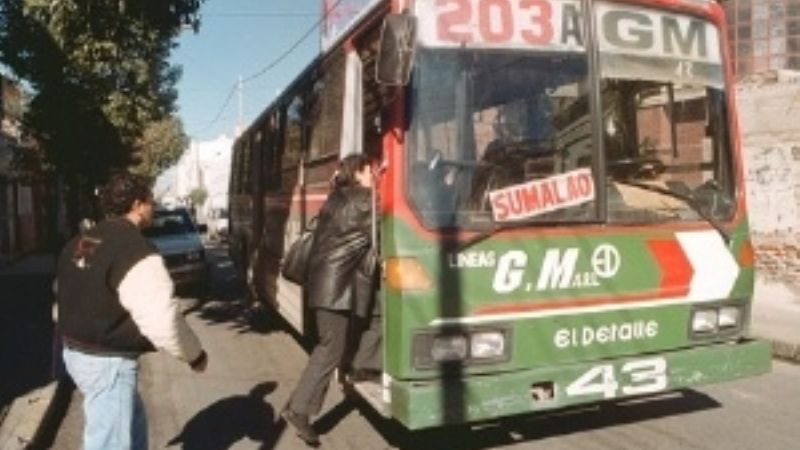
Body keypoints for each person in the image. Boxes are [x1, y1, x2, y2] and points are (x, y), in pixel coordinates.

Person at [56, 172, 208, 450]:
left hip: (75, 352)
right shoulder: (134, 248)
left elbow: (73, 288)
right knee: (109, 442)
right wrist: (194, 355)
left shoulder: (87, 241)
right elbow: (162, 320)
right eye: (151, 201)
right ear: (138, 204)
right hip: (107, 361)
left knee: (132, 426)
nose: (155, 207)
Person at [282, 153, 375, 446]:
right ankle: (299, 410)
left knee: (334, 343)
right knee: (329, 349)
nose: (374, 174)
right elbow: (389, 226)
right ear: (359, 172)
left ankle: (356, 369)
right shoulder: (365, 201)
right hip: (333, 290)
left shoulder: (337, 198)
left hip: (324, 286)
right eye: (370, 170)